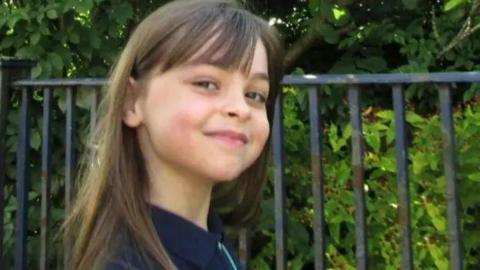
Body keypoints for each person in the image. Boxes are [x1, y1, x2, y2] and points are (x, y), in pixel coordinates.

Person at [64, 0, 284, 269]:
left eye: (254, 95)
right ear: (132, 102)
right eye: (207, 83)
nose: (240, 108)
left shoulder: (212, 243)